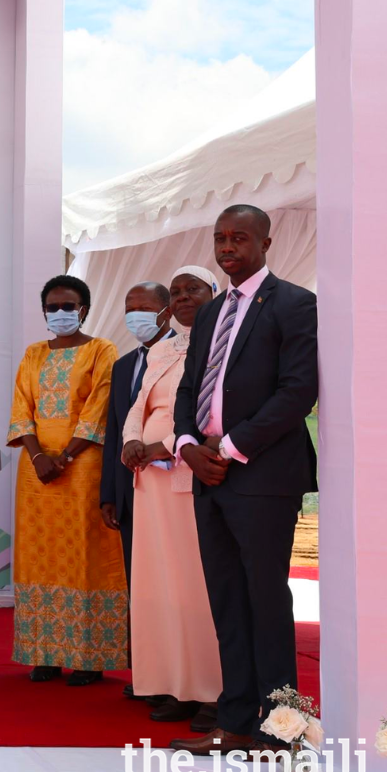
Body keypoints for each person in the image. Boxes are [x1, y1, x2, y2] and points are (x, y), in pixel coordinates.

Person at [170, 206, 318, 756]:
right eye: (220, 239)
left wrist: (229, 448)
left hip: (262, 476)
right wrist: (188, 446)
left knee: (267, 601)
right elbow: (190, 389)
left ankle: (284, 730)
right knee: (228, 601)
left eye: (239, 238)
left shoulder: (296, 304)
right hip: (208, 473)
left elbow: (297, 391)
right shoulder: (209, 314)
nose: (228, 246)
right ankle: (235, 724)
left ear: (265, 242)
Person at [7, 275, 125, 686]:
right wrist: (39, 456)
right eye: (53, 307)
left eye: (68, 306)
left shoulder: (101, 350)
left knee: (85, 555)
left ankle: (89, 658)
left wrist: (66, 455)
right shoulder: (33, 353)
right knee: (39, 553)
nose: (60, 313)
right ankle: (45, 653)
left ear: (85, 309)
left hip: (84, 465)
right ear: (43, 312)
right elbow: (22, 408)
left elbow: (99, 407)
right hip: (36, 470)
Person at [121, 266, 222, 731]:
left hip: (192, 476)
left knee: (197, 586)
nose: (183, 298)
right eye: (177, 292)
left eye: (193, 290)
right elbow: (138, 405)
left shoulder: (223, 342)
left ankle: (213, 692)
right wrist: (132, 442)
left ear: (215, 294)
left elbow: (216, 410)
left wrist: (169, 446)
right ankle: (173, 685)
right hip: (152, 482)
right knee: (158, 585)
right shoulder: (166, 348)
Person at [100, 281, 174, 699]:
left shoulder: (184, 353)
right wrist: (109, 494)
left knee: (169, 584)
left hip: (169, 488)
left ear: (165, 312)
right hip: (130, 492)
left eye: (144, 307)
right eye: (130, 308)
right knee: (139, 587)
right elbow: (114, 431)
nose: (135, 316)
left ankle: (174, 676)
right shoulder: (125, 363)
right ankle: (146, 675)